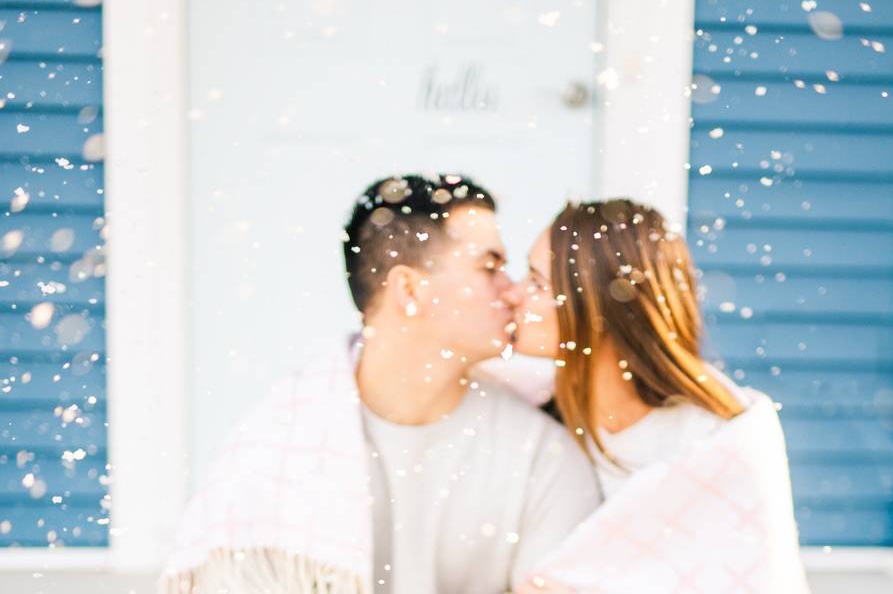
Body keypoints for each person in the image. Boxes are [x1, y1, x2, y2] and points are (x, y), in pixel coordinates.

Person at [161, 175, 600, 594]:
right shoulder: (273, 456)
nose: (513, 292)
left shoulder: (542, 455)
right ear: (409, 289)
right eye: (490, 268)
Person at [510, 199, 810, 593]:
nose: (513, 296)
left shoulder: (709, 445)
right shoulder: (540, 412)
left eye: (536, 283)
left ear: (598, 307)